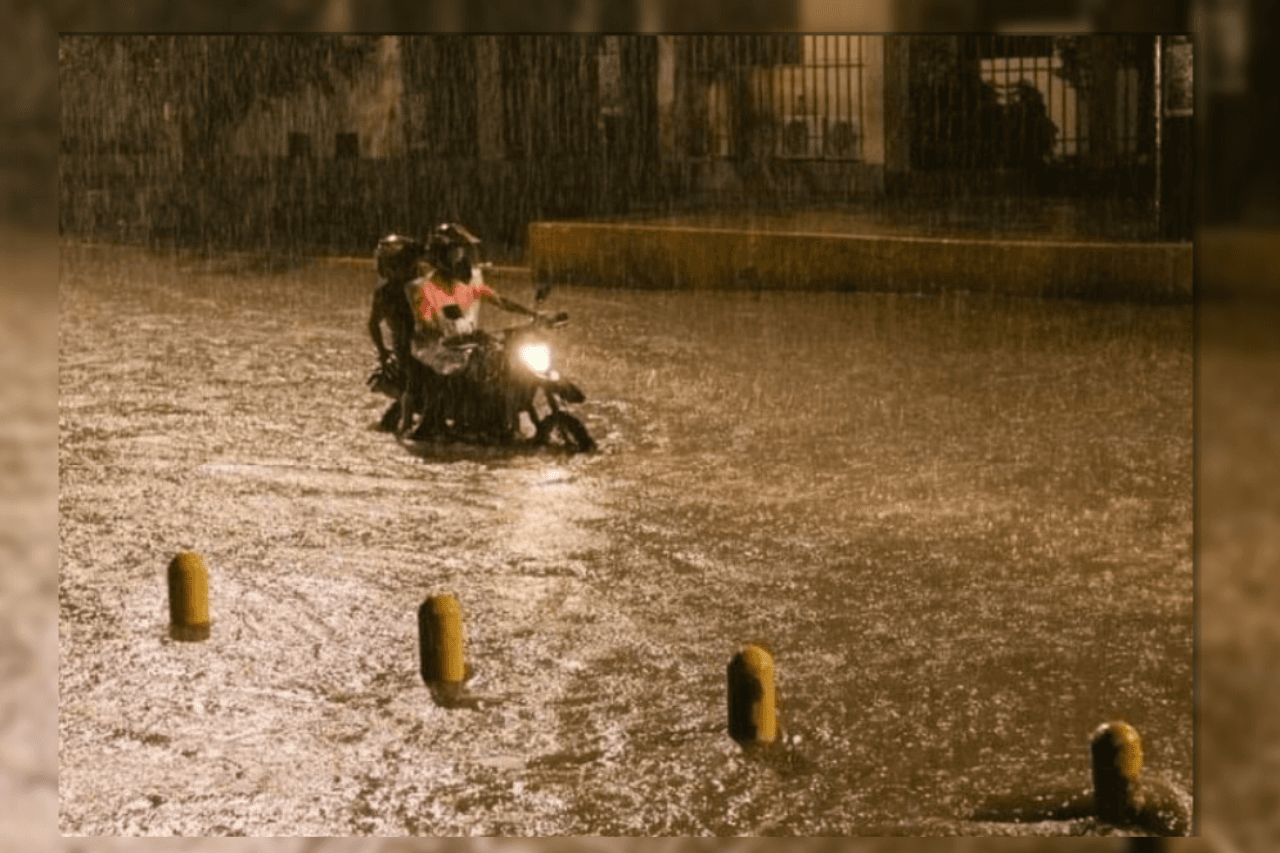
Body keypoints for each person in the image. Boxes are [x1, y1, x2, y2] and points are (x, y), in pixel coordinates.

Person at [404, 222, 543, 440]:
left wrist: (534, 315)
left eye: (461, 249)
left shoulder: (469, 280)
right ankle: (426, 424)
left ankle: (497, 418)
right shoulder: (426, 286)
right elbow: (425, 318)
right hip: (434, 347)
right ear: (441, 253)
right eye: (454, 249)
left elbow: (499, 300)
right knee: (445, 375)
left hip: (466, 343)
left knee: (502, 367)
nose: (459, 254)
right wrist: (435, 327)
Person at [368, 233, 431, 433]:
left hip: (425, 342)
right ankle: (406, 425)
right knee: (413, 381)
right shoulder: (389, 292)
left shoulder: (417, 285)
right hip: (406, 346)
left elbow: (373, 324)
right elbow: (373, 324)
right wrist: (383, 351)